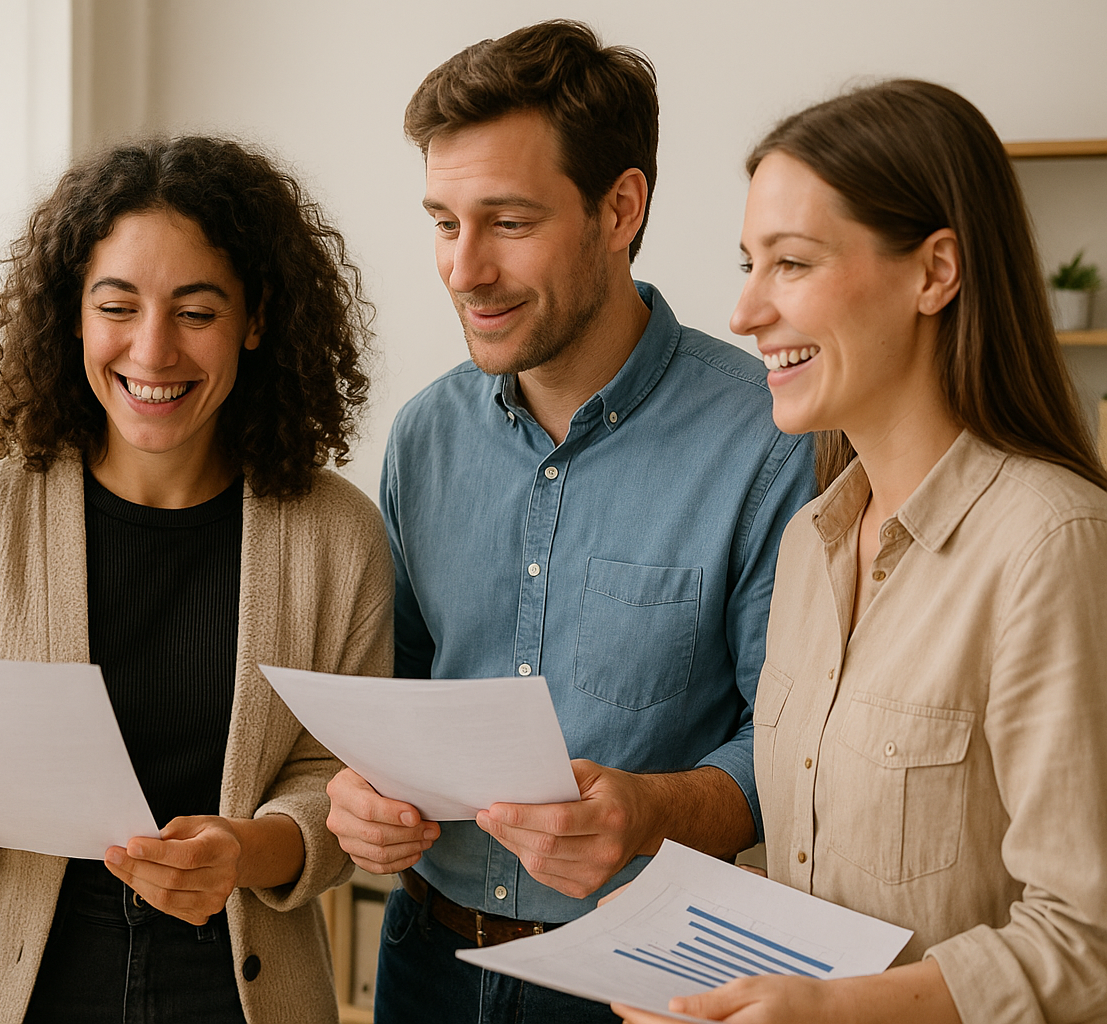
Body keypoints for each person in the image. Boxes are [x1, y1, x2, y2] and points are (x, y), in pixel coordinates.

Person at [322, 20, 817, 1024]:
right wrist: (360, 794)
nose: (464, 268)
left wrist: (651, 811)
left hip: (648, 973)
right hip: (425, 957)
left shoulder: (771, 435)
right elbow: (400, 689)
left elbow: (796, 743)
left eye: (507, 222)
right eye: (443, 220)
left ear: (619, 208)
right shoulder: (423, 434)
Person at [614, 79, 1107, 1024]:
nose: (746, 310)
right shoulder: (811, 540)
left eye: (791, 264)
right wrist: (687, 973)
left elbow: (1083, 940)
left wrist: (833, 1011)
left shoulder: (1052, 546)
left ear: (935, 273)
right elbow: (820, 858)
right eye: (749, 263)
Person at [0, 136, 391, 1024]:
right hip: (14, 989)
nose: (153, 352)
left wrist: (246, 850)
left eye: (196, 312)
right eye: (118, 306)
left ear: (256, 319)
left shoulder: (336, 534)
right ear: (72, 315)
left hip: (241, 987)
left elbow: (341, 782)